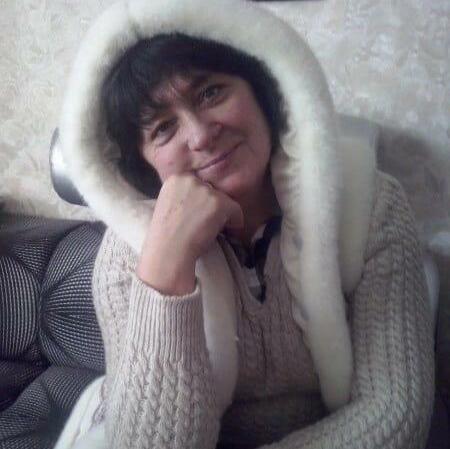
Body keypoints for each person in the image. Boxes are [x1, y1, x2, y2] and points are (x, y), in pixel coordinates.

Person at [56, 0, 435, 448]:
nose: (200, 135)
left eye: (210, 93)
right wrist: (166, 272)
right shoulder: (127, 256)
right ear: (144, 165)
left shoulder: (371, 207)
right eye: (163, 128)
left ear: (263, 91)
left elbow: (394, 415)